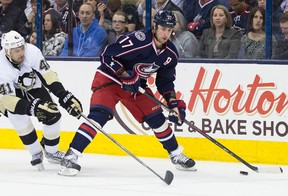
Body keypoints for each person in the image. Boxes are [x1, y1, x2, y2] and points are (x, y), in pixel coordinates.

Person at [58, 10, 196, 176]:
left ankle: (175, 154)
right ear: (154, 26)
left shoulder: (170, 54)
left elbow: (165, 82)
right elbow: (107, 55)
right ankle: (71, 156)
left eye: (169, 29)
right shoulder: (139, 40)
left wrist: (173, 103)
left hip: (135, 86)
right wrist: (124, 74)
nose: (166, 33)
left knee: (157, 118)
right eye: (162, 28)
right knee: (98, 117)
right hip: (109, 80)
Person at [0, 30, 83, 171]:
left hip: (33, 86)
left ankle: (51, 152)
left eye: (22, 48)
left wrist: (64, 95)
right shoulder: (1, 66)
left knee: (53, 113)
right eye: (16, 51)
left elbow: (48, 75)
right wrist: (33, 107)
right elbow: (8, 100)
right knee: (19, 118)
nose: (21, 53)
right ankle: (35, 153)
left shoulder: (32, 51)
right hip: (10, 96)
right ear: (7, 52)